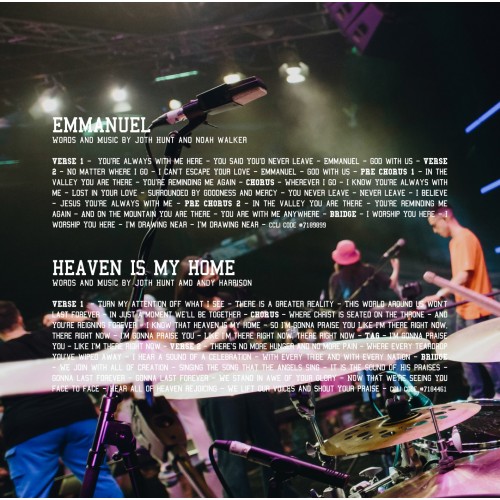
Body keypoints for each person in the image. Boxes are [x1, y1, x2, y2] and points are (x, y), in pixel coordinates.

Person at [174, 256, 289, 498]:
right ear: (192, 282)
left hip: (249, 377)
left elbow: (249, 336)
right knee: (232, 456)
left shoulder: (229, 298)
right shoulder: (186, 313)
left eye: (215, 275)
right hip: (218, 388)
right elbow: (189, 353)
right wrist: (216, 336)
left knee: (271, 447)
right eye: (207, 277)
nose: (213, 279)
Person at [0, 300, 123, 498]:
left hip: (28, 428)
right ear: (19, 318)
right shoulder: (53, 335)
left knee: (34, 493)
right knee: (98, 480)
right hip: (77, 415)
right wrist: (62, 317)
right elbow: (93, 325)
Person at [421, 205, 500, 400]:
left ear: (445, 217)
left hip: (477, 308)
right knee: (464, 355)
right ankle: (476, 396)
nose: (434, 230)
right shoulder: (454, 242)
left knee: (485, 355)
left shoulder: (465, 237)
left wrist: (440, 294)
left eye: (434, 225)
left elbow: (464, 275)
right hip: (463, 308)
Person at [328, 240, 401, 408]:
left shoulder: (335, 278)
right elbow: (391, 284)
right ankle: (394, 398)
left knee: (364, 368)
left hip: (350, 331)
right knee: (384, 365)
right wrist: (396, 268)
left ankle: (371, 404)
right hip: (371, 325)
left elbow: (334, 306)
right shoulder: (368, 270)